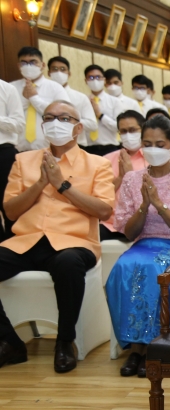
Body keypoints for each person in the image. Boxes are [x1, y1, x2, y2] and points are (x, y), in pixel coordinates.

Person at [0, 100, 114, 373]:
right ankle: (9, 340)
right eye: (49, 117)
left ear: (77, 128)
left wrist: (61, 185)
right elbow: (11, 210)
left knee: (67, 264)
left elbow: (104, 209)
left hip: (73, 242)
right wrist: (40, 183)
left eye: (63, 118)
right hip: (25, 241)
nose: (55, 122)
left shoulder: (97, 164)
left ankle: (65, 342)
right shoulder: (23, 160)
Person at [107, 115, 170, 378]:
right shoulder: (132, 180)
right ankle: (135, 349)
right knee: (123, 266)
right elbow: (129, 231)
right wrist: (144, 206)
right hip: (142, 244)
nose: (153, 149)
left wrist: (159, 203)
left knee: (150, 268)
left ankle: (152, 346)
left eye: (160, 143)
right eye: (147, 143)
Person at [11, 47, 69, 153]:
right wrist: (24, 99)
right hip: (16, 149)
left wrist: (34, 98)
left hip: (48, 149)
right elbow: (8, 115)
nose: (29, 66)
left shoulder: (55, 88)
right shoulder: (11, 88)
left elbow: (63, 115)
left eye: (33, 62)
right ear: (18, 66)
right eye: (24, 63)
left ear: (42, 65)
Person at [101, 110, 147, 241]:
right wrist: (121, 178)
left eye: (132, 130)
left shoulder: (153, 159)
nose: (128, 135)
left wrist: (130, 176)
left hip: (143, 224)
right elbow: (101, 196)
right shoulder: (107, 160)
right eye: (123, 131)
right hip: (110, 224)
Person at [47, 56, 98, 148]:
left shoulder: (80, 97)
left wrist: (68, 120)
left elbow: (92, 125)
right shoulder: (42, 96)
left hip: (77, 145)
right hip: (48, 146)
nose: (59, 72)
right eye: (55, 69)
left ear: (69, 73)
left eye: (63, 69)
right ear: (48, 73)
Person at [0, 80, 25, 240]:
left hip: (3, 153)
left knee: (9, 206)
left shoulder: (7, 88)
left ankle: (13, 249)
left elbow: (19, 124)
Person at [83, 65, 121, 156]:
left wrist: (100, 115)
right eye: (91, 77)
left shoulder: (115, 101)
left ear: (104, 80)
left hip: (110, 147)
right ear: (86, 81)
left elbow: (118, 127)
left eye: (98, 77)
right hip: (88, 148)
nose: (95, 80)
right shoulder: (83, 100)